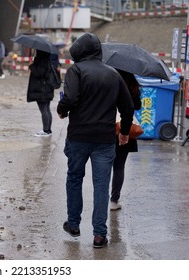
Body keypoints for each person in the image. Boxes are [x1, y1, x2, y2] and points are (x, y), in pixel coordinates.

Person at [56, 33, 134, 248]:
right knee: (101, 186)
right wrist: (124, 132)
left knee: (74, 179)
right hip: (105, 139)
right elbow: (127, 108)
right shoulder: (113, 74)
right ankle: (99, 235)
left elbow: (69, 99)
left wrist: (62, 110)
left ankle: (73, 224)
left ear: (80, 51)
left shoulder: (76, 70)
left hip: (79, 137)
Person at [110, 69, 142, 211]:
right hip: (126, 127)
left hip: (108, 127)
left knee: (103, 166)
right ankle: (114, 200)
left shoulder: (109, 81)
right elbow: (137, 106)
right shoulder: (132, 85)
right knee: (119, 166)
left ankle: (100, 198)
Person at [27, 50, 55, 137]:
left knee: (44, 110)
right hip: (46, 89)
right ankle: (48, 130)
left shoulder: (41, 60)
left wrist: (31, 65)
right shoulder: (47, 60)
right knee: (47, 109)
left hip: (41, 90)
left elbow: (39, 73)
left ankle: (46, 130)